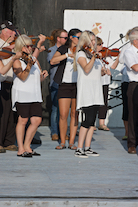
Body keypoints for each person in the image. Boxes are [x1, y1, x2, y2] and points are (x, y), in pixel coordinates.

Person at [12, 34, 48, 157]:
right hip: (23, 93)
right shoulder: (17, 61)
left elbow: (38, 79)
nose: (30, 48)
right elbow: (22, 76)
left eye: (31, 46)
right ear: (20, 47)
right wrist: (29, 65)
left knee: (37, 120)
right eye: (27, 46)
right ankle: (20, 148)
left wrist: (43, 75)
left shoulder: (34, 59)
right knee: (23, 120)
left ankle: (27, 146)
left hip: (35, 94)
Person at [74, 30, 104, 158]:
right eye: (91, 40)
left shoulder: (93, 54)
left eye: (94, 40)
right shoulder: (81, 53)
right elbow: (86, 69)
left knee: (93, 121)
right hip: (86, 90)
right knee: (87, 120)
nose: (94, 43)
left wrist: (103, 71)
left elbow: (96, 72)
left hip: (96, 90)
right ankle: (79, 148)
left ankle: (88, 147)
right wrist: (93, 58)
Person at [51, 28, 82, 150]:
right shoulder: (64, 48)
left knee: (75, 114)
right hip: (64, 84)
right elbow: (53, 61)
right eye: (78, 37)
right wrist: (67, 55)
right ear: (71, 37)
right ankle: (62, 141)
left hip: (77, 85)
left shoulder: (82, 50)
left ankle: (72, 142)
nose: (80, 40)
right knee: (63, 114)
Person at [0, 20, 21, 153]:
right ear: (3, 31)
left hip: (10, 82)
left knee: (9, 114)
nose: (14, 33)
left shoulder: (10, 45)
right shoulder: (3, 46)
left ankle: (8, 140)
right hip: (1, 82)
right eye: (11, 30)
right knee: (1, 114)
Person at [47, 28, 68, 141]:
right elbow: (52, 61)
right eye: (65, 38)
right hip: (56, 83)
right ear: (58, 39)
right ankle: (55, 132)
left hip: (66, 83)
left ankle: (63, 132)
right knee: (56, 109)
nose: (66, 39)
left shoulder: (69, 49)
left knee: (64, 111)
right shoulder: (52, 50)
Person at [96, 37, 120, 131]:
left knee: (104, 102)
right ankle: (91, 123)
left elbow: (113, 66)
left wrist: (118, 57)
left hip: (105, 82)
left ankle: (101, 123)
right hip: (95, 82)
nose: (102, 46)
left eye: (102, 44)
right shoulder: (91, 55)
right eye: (99, 44)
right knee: (93, 102)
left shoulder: (107, 55)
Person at [124, 28, 138, 154]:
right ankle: (132, 143)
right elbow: (135, 67)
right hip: (135, 85)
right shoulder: (129, 52)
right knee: (133, 115)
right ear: (135, 41)